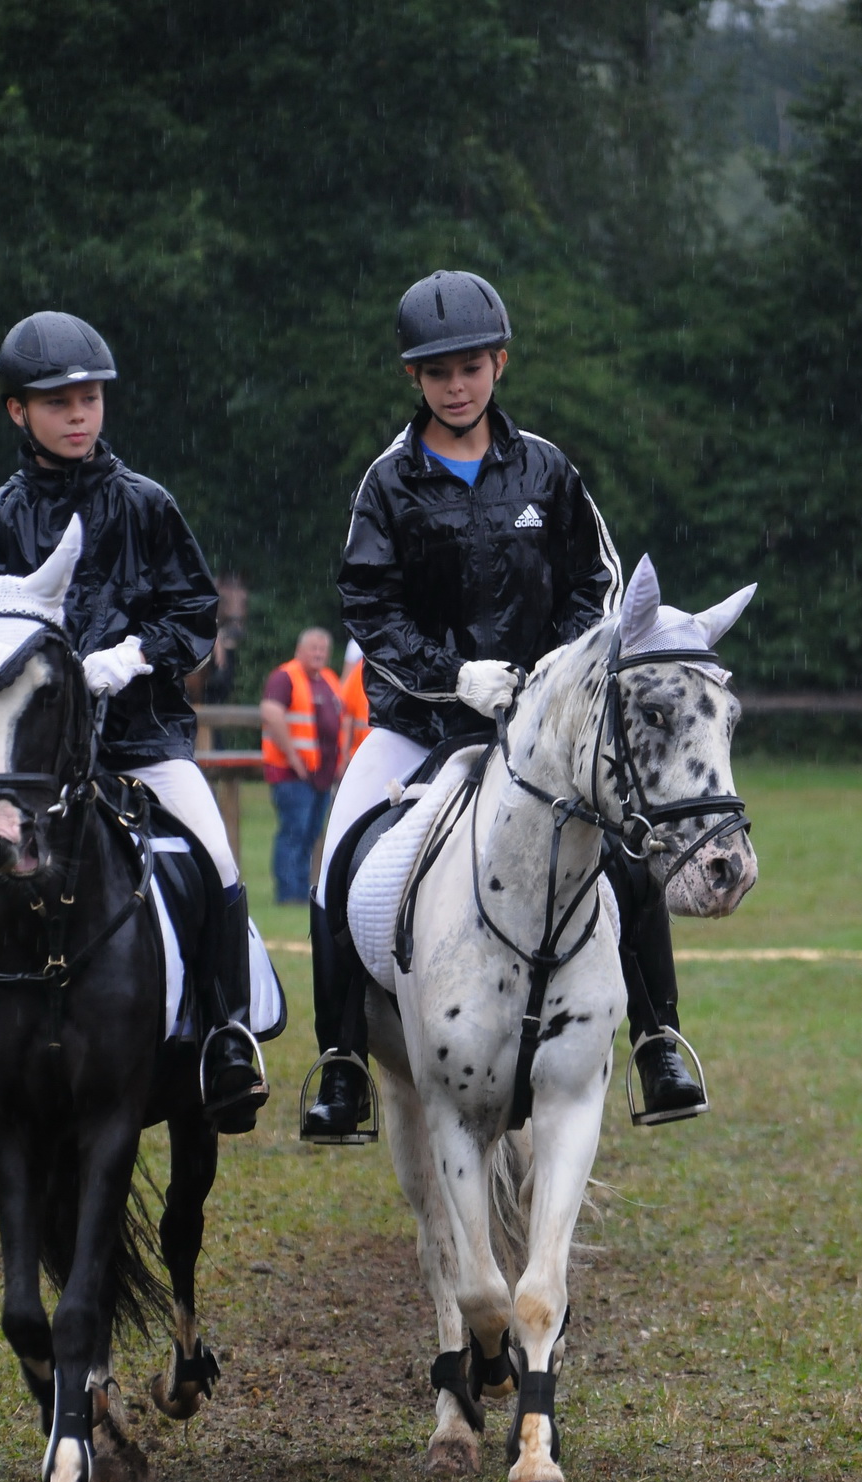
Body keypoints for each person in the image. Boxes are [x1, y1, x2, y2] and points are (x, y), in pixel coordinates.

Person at [0, 310, 267, 1131]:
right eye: (58, 401)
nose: (78, 414)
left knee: (216, 862)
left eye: (89, 398)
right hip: (24, 758)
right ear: (16, 411)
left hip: (139, 742)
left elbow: (194, 612)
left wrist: (133, 655)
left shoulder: (147, 505)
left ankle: (225, 1036)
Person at [302, 268, 707, 1140]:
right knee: (338, 861)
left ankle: (657, 1037)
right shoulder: (387, 482)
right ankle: (340, 1060)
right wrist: (452, 675)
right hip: (419, 725)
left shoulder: (546, 469)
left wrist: (546, 674)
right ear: (413, 377)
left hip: (539, 729)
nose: (456, 386)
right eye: (437, 372)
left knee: (627, 856)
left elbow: (593, 584)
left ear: (500, 363)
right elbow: (369, 605)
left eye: (471, 367)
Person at [261, 628, 343, 904]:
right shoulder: (285, 677)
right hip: (292, 774)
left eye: (323, 649)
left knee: (310, 835)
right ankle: (289, 895)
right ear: (300, 650)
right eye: (313, 648)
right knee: (294, 833)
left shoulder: (330, 679)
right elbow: (271, 713)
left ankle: (301, 891)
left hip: (322, 775)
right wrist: (293, 757)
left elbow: (342, 720)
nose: (318, 654)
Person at [339, 640, 370, 766]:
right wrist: (344, 756)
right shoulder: (359, 672)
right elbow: (347, 716)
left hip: (385, 756)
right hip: (359, 756)